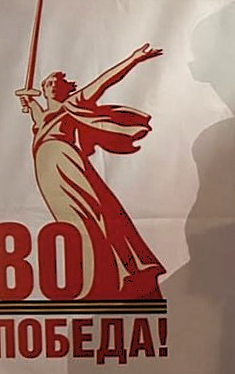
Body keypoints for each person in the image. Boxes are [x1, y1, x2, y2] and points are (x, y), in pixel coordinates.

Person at [15, 44, 166, 300]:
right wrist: (28, 100)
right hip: (48, 170)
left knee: (92, 214)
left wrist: (133, 59)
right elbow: (36, 113)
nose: (50, 84)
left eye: (55, 81)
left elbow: (104, 81)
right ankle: (92, 276)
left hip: (66, 162)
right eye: (48, 82)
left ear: (64, 88)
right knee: (69, 219)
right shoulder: (42, 117)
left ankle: (119, 272)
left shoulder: (73, 103)